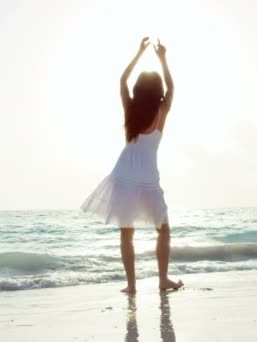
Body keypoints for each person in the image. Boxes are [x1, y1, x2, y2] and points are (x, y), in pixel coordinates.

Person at [81, 37, 183, 293]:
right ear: (157, 91)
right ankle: (162, 279)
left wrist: (138, 54)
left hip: (124, 174)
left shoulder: (130, 109)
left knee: (126, 233)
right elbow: (171, 86)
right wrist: (163, 58)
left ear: (138, 89)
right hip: (148, 177)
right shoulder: (162, 112)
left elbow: (121, 81)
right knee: (163, 230)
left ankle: (132, 285)